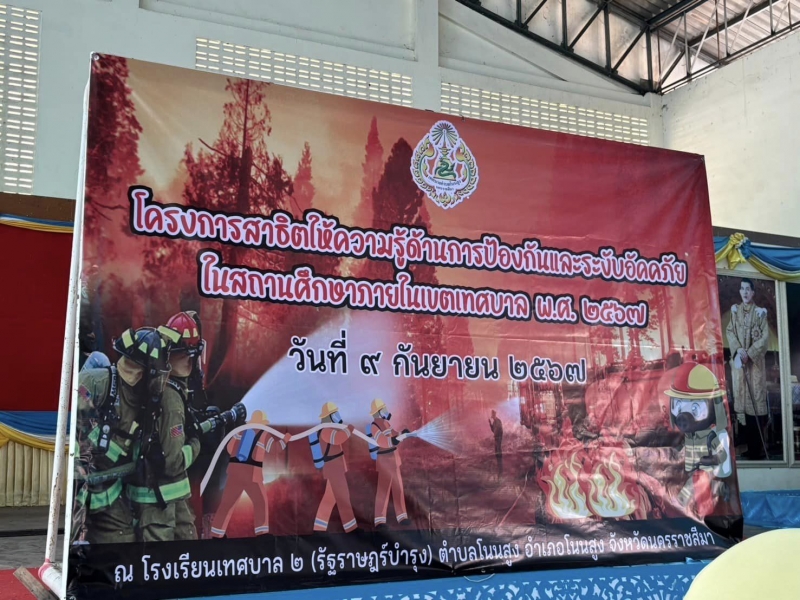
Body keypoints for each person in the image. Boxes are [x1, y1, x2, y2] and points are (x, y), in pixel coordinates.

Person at [73, 326, 173, 545]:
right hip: (78, 488)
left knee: (123, 544)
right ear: (142, 372)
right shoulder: (94, 383)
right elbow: (71, 433)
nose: (160, 381)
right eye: (156, 374)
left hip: (109, 491)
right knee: (72, 544)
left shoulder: (148, 404)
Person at [126, 318, 201, 542]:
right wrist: (196, 444)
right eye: (186, 354)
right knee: (160, 560)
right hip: (157, 502)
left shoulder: (164, 387)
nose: (190, 360)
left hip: (170, 497)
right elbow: (173, 462)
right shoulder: (170, 398)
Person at [665, 362, 732, 518]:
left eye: (695, 407)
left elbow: (722, 454)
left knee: (691, 487)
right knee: (701, 487)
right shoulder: (688, 437)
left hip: (705, 470)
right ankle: (721, 488)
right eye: (679, 405)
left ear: (714, 408)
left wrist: (711, 459)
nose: (684, 415)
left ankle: (680, 503)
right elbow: (682, 448)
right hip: (693, 469)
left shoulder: (710, 436)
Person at [211, 410, 289, 538]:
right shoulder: (264, 434)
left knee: (227, 503)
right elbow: (275, 449)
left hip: (234, 472)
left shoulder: (240, 431)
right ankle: (261, 534)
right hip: (251, 474)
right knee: (260, 502)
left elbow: (229, 448)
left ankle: (216, 534)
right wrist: (285, 440)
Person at [726, 278, 770, 459]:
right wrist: (738, 349)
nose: (745, 292)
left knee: (755, 405)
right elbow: (730, 331)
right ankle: (745, 445)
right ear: (740, 291)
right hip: (740, 365)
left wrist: (749, 353)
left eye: (748, 289)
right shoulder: (735, 312)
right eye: (742, 289)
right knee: (742, 406)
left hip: (755, 367)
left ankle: (756, 450)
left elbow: (764, 338)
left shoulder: (760, 313)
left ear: (752, 293)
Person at [312, 402, 357, 533]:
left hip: (335, 467)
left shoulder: (329, 429)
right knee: (343, 497)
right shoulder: (326, 431)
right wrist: (348, 429)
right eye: (335, 413)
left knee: (330, 498)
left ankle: (318, 528)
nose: (338, 415)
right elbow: (338, 439)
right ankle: (351, 528)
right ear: (330, 416)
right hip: (333, 468)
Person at [368, 399, 409, 528]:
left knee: (398, 488)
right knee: (383, 490)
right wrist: (395, 440)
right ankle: (380, 520)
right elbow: (382, 441)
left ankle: (402, 516)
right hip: (385, 460)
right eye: (383, 409)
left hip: (394, 459)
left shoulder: (386, 423)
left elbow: (394, 434)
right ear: (378, 411)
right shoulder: (374, 426)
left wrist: (402, 434)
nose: (386, 411)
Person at [489, 409, 504, 478]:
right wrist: (490, 424)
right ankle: (499, 465)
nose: (491, 416)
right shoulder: (495, 422)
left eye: (492, 414)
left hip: (498, 438)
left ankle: (500, 466)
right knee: (496, 451)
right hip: (496, 437)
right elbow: (493, 430)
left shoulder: (497, 421)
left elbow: (500, 429)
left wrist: (498, 436)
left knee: (498, 450)